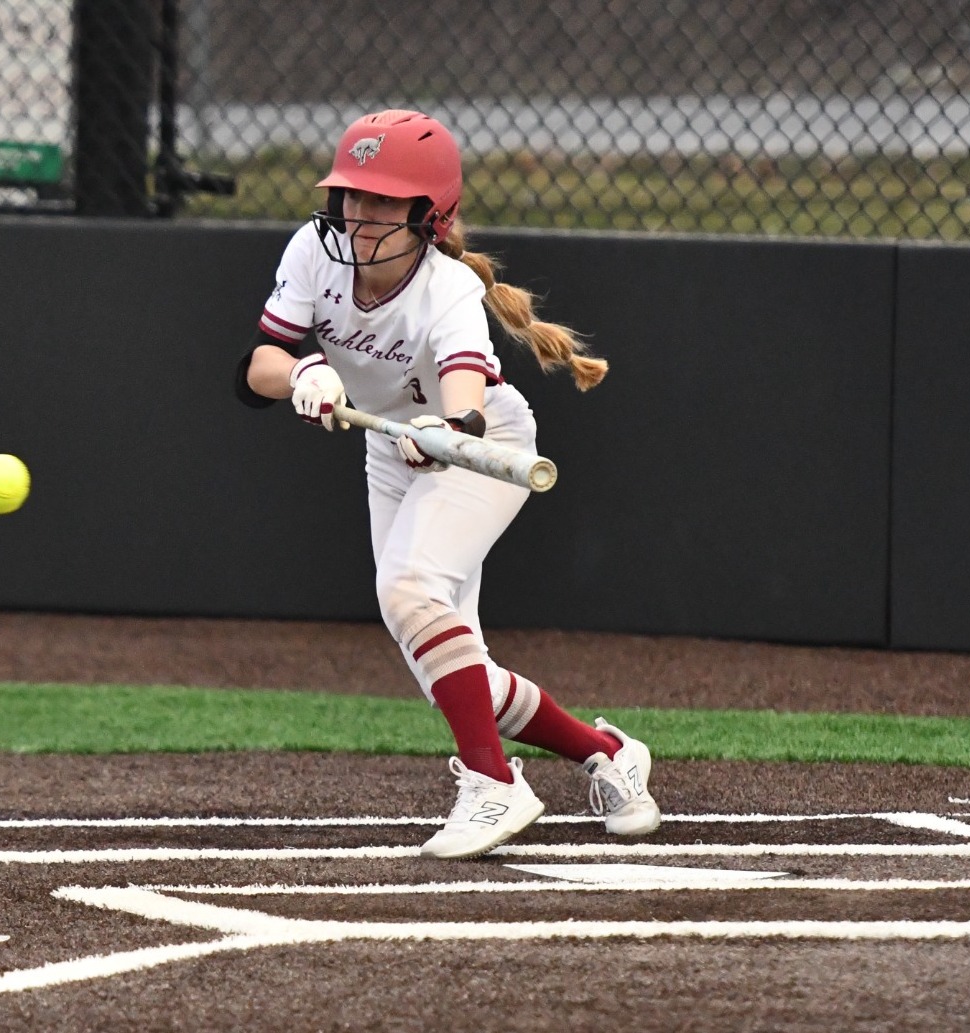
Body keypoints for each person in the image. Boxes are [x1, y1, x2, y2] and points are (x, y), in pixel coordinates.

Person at [234, 110, 660, 859]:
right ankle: (607, 752)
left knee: (408, 594)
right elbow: (256, 366)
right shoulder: (312, 250)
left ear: (428, 216)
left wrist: (450, 432)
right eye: (350, 197)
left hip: (480, 441)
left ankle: (494, 783)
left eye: (381, 201)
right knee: (446, 656)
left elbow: (463, 388)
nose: (358, 216)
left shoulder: (449, 288)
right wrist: (303, 370)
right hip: (389, 444)